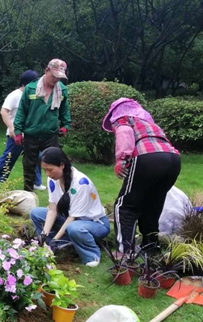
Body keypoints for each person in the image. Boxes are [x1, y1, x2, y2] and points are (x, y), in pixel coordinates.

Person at [102, 97, 181, 255]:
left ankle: (125, 252)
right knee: (152, 206)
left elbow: (124, 134)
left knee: (124, 206)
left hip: (148, 158)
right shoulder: (149, 124)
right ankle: (151, 249)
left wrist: (121, 159)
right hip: (173, 160)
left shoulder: (123, 118)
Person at [30, 147, 110, 267]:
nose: (47, 174)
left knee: (74, 227)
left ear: (62, 165)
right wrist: (44, 236)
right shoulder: (52, 180)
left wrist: (54, 240)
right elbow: (53, 209)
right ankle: (59, 244)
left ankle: (91, 256)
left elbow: (73, 217)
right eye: (45, 170)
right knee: (36, 213)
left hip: (95, 224)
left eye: (50, 170)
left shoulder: (81, 183)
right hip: (70, 220)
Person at [14, 59, 71, 192]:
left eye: (59, 78)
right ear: (46, 71)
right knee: (29, 165)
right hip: (31, 134)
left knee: (55, 164)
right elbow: (21, 111)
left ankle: (58, 193)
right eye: (54, 76)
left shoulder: (62, 90)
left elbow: (64, 110)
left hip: (50, 134)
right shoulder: (31, 88)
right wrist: (18, 131)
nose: (56, 80)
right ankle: (28, 193)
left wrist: (65, 125)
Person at [0, 70, 45, 190]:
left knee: (35, 157)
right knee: (9, 157)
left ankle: (36, 182)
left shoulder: (33, 95)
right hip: (16, 134)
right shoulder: (14, 95)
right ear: (26, 83)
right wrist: (11, 128)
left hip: (31, 134)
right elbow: (3, 111)